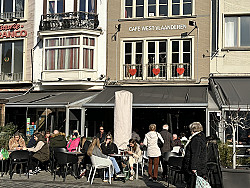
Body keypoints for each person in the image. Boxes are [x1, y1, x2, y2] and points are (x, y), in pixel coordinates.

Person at [182, 122, 207, 188]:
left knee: (192, 184)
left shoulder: (195, 139)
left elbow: (195, 154)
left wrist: (193, 167)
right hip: (199, 166)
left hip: (194, 167)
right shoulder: (201, 137)